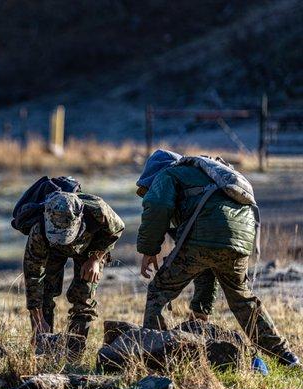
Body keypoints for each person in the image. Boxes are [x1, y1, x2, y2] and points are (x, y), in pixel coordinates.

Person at [136, 149, 300, 367]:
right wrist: (200, 310)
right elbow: (205, 264)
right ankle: (287, 357)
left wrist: (149, 249)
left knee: (159, 291)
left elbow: (157, 206)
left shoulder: (167, 174)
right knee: (243, 301)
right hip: (240, 240)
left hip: (205, 234)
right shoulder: (206, 175)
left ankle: (153, 356)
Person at [23, 191, 125, 361]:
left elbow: (117, 229)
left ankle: (73, 356)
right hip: (52, 249)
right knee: (44, 294)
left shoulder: (98, 211)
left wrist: (95, 258)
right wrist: (37, 318)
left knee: (83, 297)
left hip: (90, 247)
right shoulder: (39, 231)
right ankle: (45, 353)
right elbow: (33, 276)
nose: (64, 239)